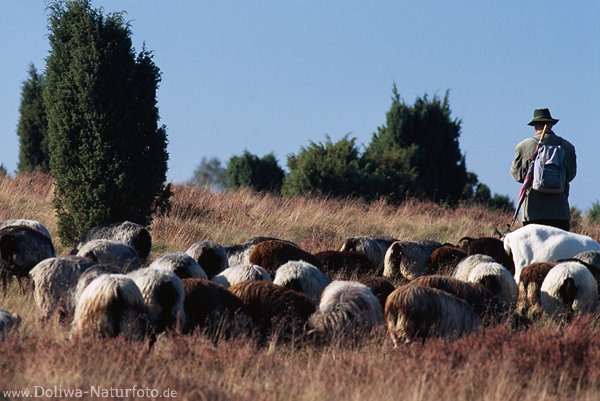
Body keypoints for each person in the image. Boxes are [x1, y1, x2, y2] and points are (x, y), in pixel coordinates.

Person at [510, 108, 576, 231]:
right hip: (560, 212)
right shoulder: (568, 147)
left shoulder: (523, 146)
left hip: (533, 213)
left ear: (534, 125)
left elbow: (518, 176)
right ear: (551, 124)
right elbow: (571, 175)